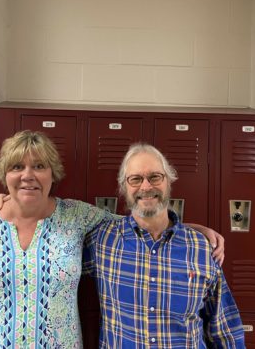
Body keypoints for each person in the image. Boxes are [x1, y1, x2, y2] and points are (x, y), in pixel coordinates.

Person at [0, 130, 224, 348]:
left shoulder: (76, 216)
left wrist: (191, 228)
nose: (28, 175)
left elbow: (138, 220)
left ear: (52, 174)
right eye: (16, 167)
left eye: (38, 166)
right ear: (4, 174)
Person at [83, 143, 245, 348]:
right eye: (135, 179)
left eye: (155, 177)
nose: (146, 187)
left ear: (169, 181)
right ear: (124, 187)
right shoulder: (102, 241)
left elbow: (224, 330)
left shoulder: (201, 248)